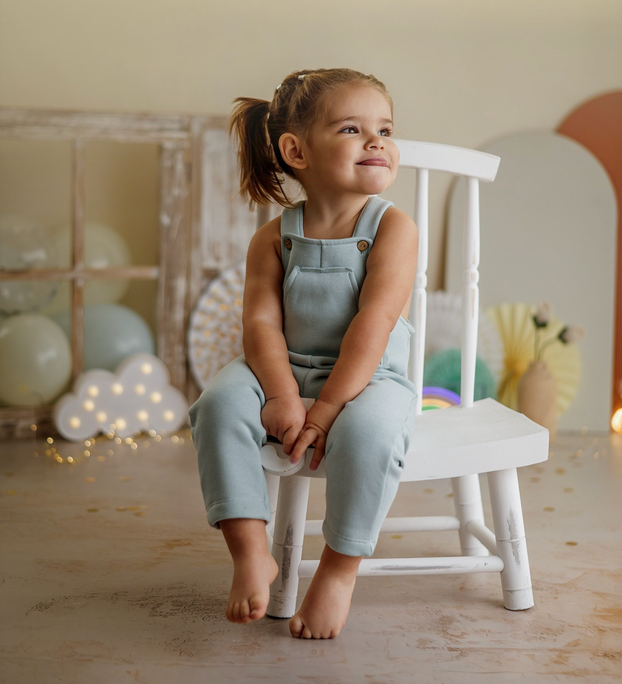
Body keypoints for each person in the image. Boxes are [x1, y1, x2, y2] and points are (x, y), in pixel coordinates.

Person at [188, 67, 418, 640]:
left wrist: (329, 408)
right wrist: (281, 393)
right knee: (218, 404)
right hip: (283, 368)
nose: (377, 141)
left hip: (368, 377)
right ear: (296, 151)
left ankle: (338, 572)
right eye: (352, 129)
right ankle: (250, 550)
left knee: (370, 434)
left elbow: (373, 324)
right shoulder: (273, 237)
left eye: (386, 129)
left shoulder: (392, 229)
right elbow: (261, 324)